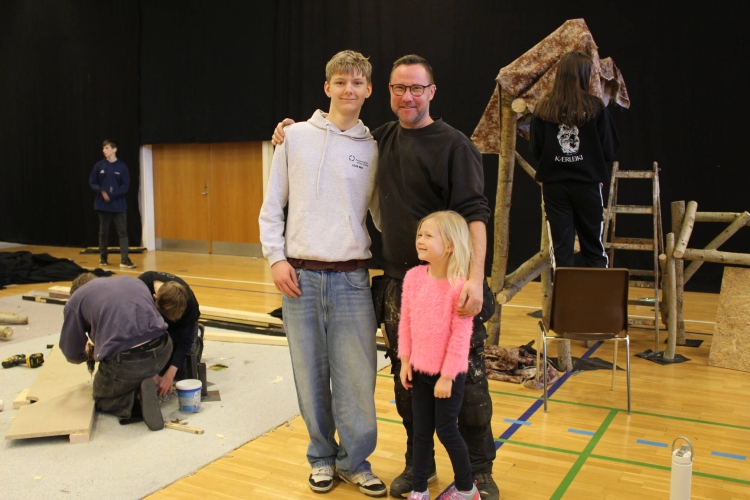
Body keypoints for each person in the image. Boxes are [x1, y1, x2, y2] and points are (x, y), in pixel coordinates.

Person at [273, 54, 499, 500]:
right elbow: (336, 139)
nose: (407, 96)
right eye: (400, 88)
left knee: (466, 381)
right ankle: (420, 466)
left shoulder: (455, 146)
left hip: (450, 284)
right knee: (409, 382)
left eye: (416, 88)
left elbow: (476, 215)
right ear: (388, 92)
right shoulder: (379, 139)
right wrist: (290, 132)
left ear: (431, 92)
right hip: (400, 285)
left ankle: (479, 470)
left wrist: (475, 279)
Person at [259, 50, 385, 497]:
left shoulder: (374, 148)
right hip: (300, 279)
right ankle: (322, 458)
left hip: (353, 280)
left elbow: (382, 215)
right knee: (310, 375)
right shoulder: (293, 138)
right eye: (341, 82)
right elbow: (272, 206)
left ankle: (356, 462)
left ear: (369, 90)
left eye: (357, 82)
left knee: (357, 378)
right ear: (327, 87)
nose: (349, 89)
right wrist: (276, 258)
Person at [399, 211, 480, 500]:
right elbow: (405, 322)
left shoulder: (460, 286)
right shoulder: (413, 278)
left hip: (448, 376)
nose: (420, 240)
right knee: (421, 433)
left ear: (449, 245)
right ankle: (419, 489)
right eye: (419, 234)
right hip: (419, 371)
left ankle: (467, 489)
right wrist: (405, 360)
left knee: (446, 431)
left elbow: (461, 338)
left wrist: (447, 377)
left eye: (428, 235)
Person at [530, 50, 620, 269]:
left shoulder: (543, 107)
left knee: (562, 251)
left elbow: (536, 150)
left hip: (555, 187)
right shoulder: (595, 107)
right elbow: (610, 149)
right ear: (583, 74)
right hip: (587, 185)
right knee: (594, 247)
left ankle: (565, 293)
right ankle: (597, 292)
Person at [60, 276, 182, 431]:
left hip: (129, 362)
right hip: (163, 348)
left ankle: (136, 399)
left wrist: (85, 356)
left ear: (74, 293)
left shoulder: (75, 301)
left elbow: (71, 353)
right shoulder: (132, 280)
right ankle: (147, 376)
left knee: (101, 396)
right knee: (138, 365)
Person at [138, 271, 197, 397]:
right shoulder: (140, 291)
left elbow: (185, 340)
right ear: (154, 297)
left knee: (183, 370)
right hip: (150, 326)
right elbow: (135, 335)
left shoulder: (190, 303)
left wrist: (170, 374)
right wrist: (151, 372)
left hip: (179, 327)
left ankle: (197, 340)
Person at [89, 139, 136, 269]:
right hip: (102, 205)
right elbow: (92, 182)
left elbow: (125, 186)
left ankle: (124, 259)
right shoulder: (99, 166)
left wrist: (112, 194)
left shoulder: (122, 166)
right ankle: (103, 257)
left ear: (114, 149)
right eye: (103, 148)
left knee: (122, 232)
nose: (104, 150)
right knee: (103, 232)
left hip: (118, 205)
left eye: (107, 148)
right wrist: (101, 191)